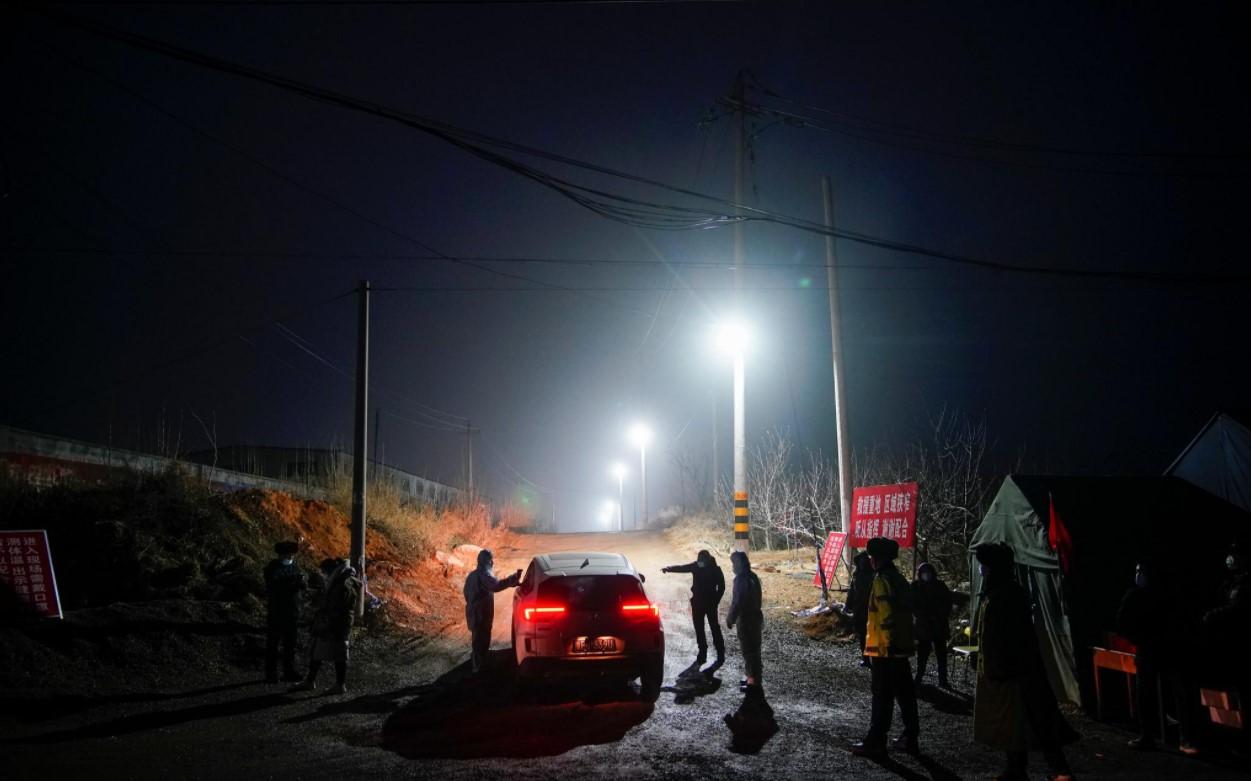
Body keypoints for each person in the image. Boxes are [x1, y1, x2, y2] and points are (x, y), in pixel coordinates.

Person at [972, 543, 1076, 781]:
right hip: (1008, 667)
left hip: (1017, 668)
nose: (981, 569)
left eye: (984, 565)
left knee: (1036, 717)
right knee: (1014, 721)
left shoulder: (1006, 594)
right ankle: (1016, 768)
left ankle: (1059, 769)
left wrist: (1000, 666)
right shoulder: (998, 591)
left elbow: (1008, 636)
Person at [851, 537, 920, 758]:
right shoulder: (898, 578)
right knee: (905, 692)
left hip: (884, 648)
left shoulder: (881, 579)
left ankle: (876, 740)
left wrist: (888, 642)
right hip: (901, 647)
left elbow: (886, 614)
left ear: (875, 559)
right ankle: (911, 736)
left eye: (871, 556)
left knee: (882, 694)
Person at [292, 558, 361, 695]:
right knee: (323, 650)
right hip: (338, 622)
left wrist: (325, 614)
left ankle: (337, 684)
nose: (323, 574)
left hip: (334, 623)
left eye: (324, 571)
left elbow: (335, 605)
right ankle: (313, 681)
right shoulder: (345, 579)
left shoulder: (341, 583)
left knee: (336, 653)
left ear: (330, 570)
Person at [662, 549, 726, 672]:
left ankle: (720, 653)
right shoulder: (696, 566)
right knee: (699, 629)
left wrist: (716, 600)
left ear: (707, 560)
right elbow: (682, 568)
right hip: (697, 603)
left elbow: (722, 587)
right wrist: (669, 568)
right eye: (699, 560)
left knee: (714, 628)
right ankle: (702, 653)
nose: (700, 562)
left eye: (702, 560)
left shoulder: (715, 569)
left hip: (710, 603)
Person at [463, 549, 521, 674]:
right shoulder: (484, 575)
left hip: (473, 613)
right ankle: (478, 671)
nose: (492, 563)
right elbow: (496, 585)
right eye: (490, 560)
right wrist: (513, 579)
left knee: (477, 640)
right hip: (481, 614)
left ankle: (477, 667)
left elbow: (466, 594)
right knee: (481, 642)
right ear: (488, 561)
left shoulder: (472, 575)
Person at [263, 541, 306, 684]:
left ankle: (289, 671)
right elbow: (272, 588)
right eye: (288, 554)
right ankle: (271, 673)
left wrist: (300, 584)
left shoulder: (294, 566)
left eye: (291, 554)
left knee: (290, 644)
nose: (290, 556)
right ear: (281, 554)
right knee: (273, 643)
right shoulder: (272, 568)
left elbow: (300, 586)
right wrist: (292, 584)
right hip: (277, 610)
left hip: (293, 611)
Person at [726, 551, 764, 696]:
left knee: (749, 651)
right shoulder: (753, 576)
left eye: (733, 563)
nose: (733, 567)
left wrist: (730, 618)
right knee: (755, 650)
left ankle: (753, 682)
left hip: (746, 620)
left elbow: (738, 602)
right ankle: (754, 678)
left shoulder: (741, 580)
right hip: (756, 618)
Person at [912, 561, 953, 688]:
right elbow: (913, 604)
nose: (926, 575)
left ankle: (943, 680)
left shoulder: (940, 586)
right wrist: (922, 615)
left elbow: (947, 603)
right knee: (922, 654)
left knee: (941, 654)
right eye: (924, 573)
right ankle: (919, 677)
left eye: (928, 572)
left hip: (939, 624)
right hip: (924, 625)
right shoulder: (915, 586)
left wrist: (939, 615)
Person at [846, 551, 874, 668]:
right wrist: (848, 604)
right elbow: (852, 590)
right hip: (859, 609)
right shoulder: (856, 574)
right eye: (861, 562)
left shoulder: (873, 575)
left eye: (864, 562)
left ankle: (874, 658)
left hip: (871, 609)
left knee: (871, 635)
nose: (862, 564)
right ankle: (865, 659)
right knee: (862, 635)